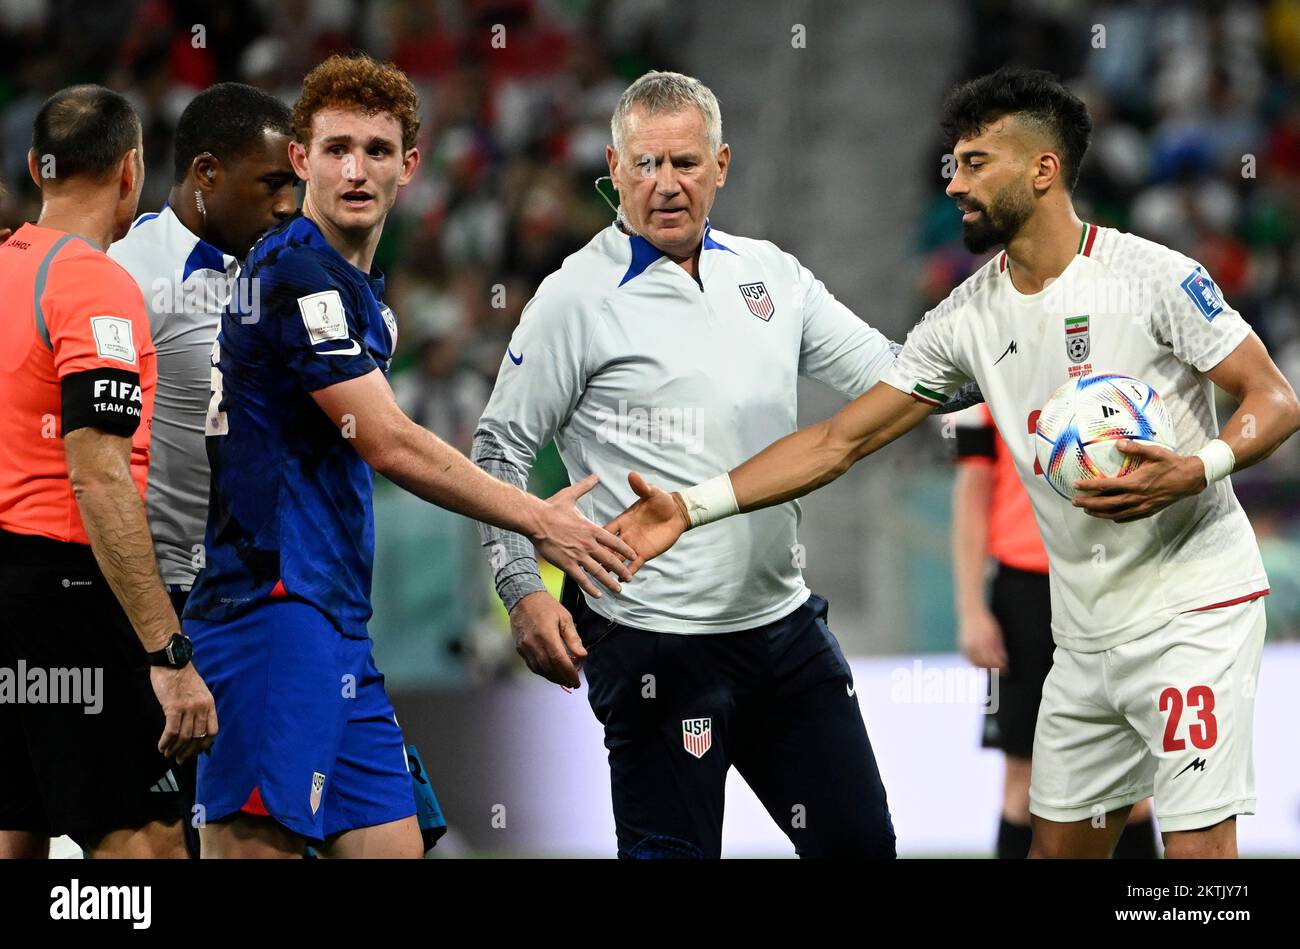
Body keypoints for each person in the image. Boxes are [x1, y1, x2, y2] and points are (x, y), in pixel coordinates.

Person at [607, 68, 1300, 859]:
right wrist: (692, 505)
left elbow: (1275, 399)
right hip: (1082, 632)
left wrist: (1195, 466)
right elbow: (841, 440)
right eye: (952, 164)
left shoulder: (1156, 278)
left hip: (1194, 607)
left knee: (1198, 855)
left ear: (1042, 170)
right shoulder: (967, 320)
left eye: (975, 163)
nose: (954, 183)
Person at [473, 70, 978, 859]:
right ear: (613, 168)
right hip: (648, 643)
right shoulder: (573, 298)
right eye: (645, 165)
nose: (665, 184)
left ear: (723, 165)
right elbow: (498, 447)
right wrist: (520, 593)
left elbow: (897, 373)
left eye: (684, 163)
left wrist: (1003, 329)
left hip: (781, 629)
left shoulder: (773, 274)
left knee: (863, 849)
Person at [184, 54, 634, 859]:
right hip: (270, 608)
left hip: (337, 621)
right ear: (299, 159)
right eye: (336, 149)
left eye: (378, 150)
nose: (357, 169)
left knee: (394, 845)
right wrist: (534, 516)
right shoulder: (294, 271)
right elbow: (385, 440)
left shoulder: (360, 294)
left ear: (410, 165)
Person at [0, 85, 216, 859]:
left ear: (37, 166)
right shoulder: (93, 284)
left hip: (9, 596)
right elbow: (97, 475)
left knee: (17, 833)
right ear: (132, 172)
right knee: (147, 846)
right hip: (68, 592)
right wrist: (167, 652)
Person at [107, 82, 298, 857]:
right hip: (159, 601)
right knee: (154, 834)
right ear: (208, 174)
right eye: (271, 184)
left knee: (259, 827)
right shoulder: (126, 274)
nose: (287, 204)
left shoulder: (283, 270)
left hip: (260, 594)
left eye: (294, 184)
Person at [951, 404, 1156, 858]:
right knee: (1023, 779)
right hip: (1022, 595)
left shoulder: (1116, 381)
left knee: (1132, 783)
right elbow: (972, 488)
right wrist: (970, 609)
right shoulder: (987, 379)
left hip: (1111, 582)